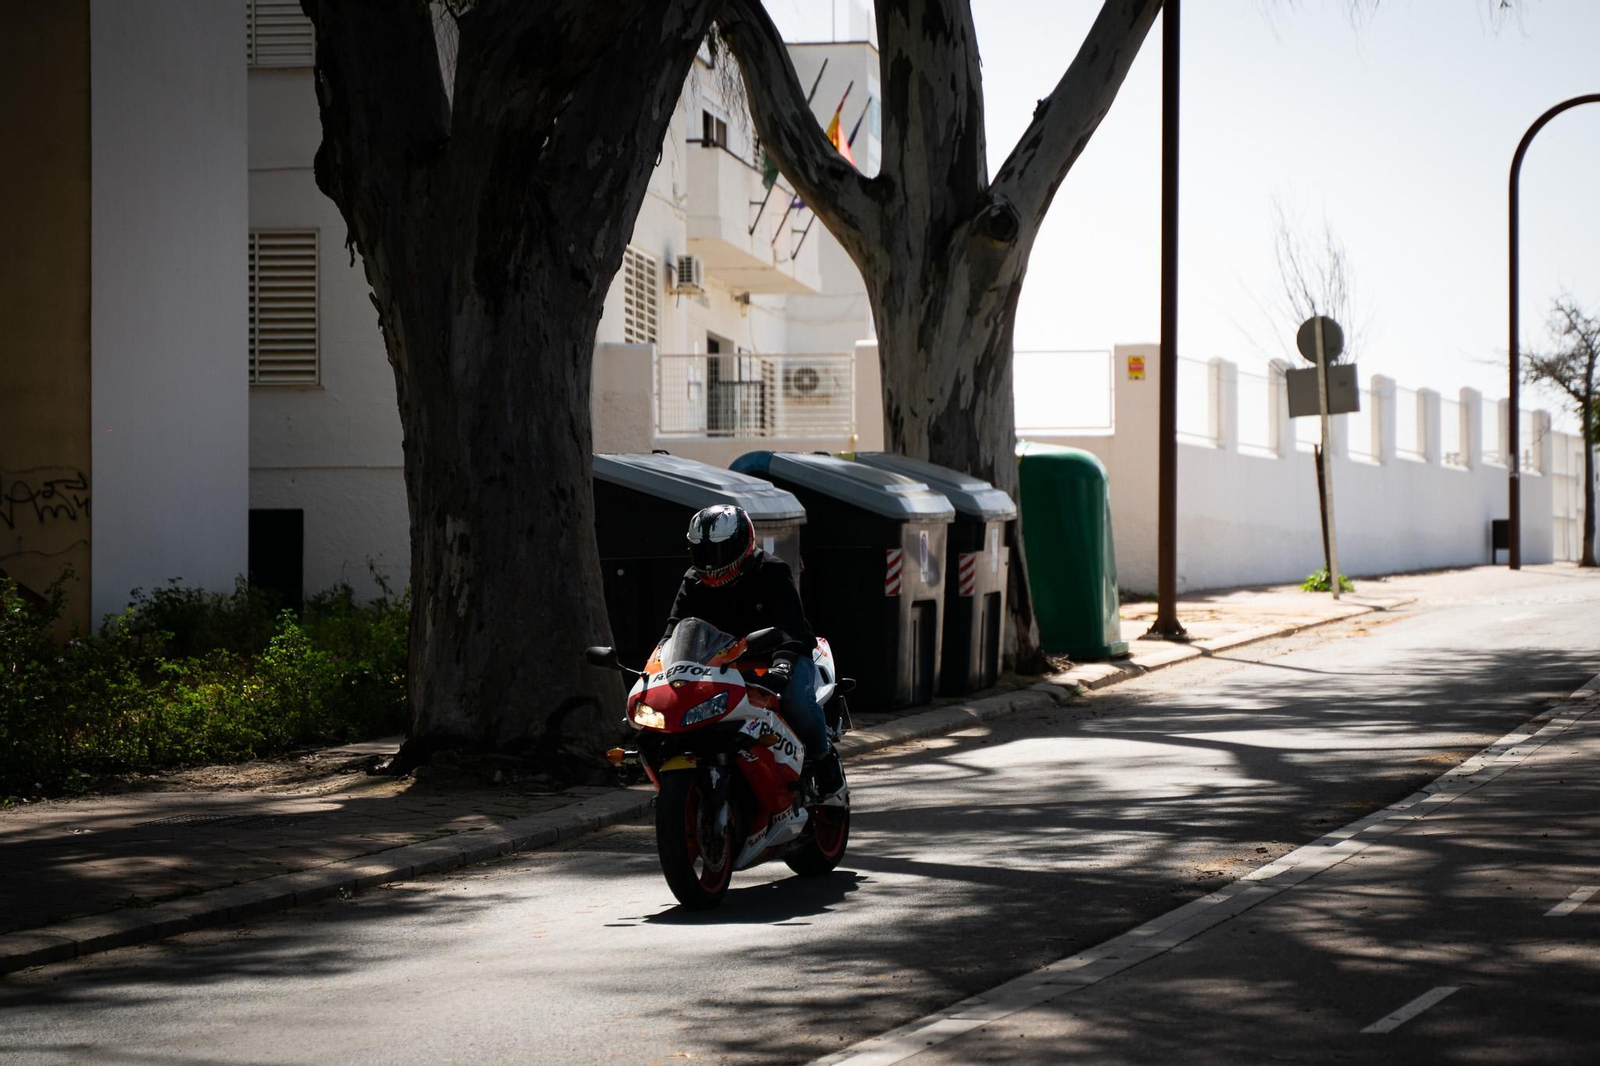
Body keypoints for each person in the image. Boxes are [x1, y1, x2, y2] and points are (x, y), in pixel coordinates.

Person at [660, 504, 844, 796]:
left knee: (796, 701)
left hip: (776, 657)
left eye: (718, 553)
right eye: (703, 553)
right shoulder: (693, 581)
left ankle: (824, 759)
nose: (710, 564)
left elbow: (791, 627)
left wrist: (782, 665)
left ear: (742, 545)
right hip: (719, 665)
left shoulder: (772, 571)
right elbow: (675, 627)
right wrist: (658, 662)